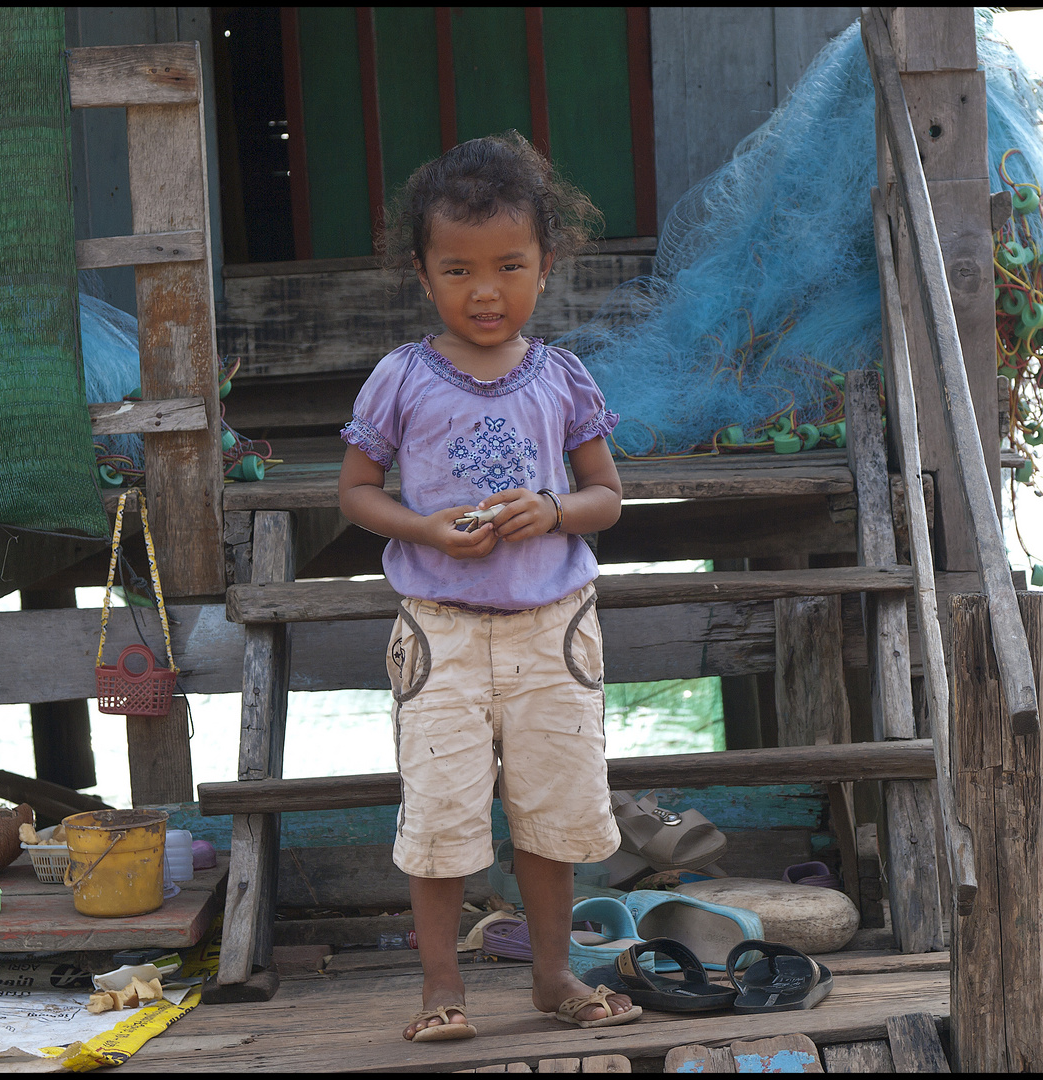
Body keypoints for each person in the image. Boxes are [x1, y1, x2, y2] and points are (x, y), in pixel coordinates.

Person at [338, 131, 640, 1042]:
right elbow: (355, 493)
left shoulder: (562, 378)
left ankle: (555, 977)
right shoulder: (401, 377)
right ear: (422, 275)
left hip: (554, 629)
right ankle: (442, 990)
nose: (484, 290)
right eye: (458, 269)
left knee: (550, 813)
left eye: (509, 266)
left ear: (546, 266)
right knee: (439, 817)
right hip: (442, 631)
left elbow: (607, 497)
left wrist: (552, 510)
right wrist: (426, 528)